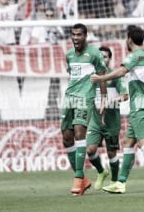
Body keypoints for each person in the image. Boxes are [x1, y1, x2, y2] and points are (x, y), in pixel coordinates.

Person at [90, 25, 144, 193]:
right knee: (128, 143)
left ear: (129, 40)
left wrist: (101, 78)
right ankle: (120, 183)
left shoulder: (134, 56)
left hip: (139, 106)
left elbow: (120, 72)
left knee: (143, 142)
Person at [61, 23, 107, 196]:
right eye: (73, 34)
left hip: (85, 98)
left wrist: (103, 99)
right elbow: (73, 75)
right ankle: (84, 180)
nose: (75, 38)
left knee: (80, 132)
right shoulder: (70, 55)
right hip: (69, 97)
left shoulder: (94, 54)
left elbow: (102, 75)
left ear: (85, 36)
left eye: (79, 35)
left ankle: (78, 178)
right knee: (67, 137)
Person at [86, 46, 128, 192]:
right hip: (95, 121)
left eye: (106, 56)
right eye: (100, 56)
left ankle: (115, 181)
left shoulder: (114, 76)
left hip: (112, 122)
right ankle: (101, 171)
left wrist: (111, 101)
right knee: (90, 150)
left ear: (109, 59)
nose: (103, 59)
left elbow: (125, 95)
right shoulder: (91, 77)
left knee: (112, 153)